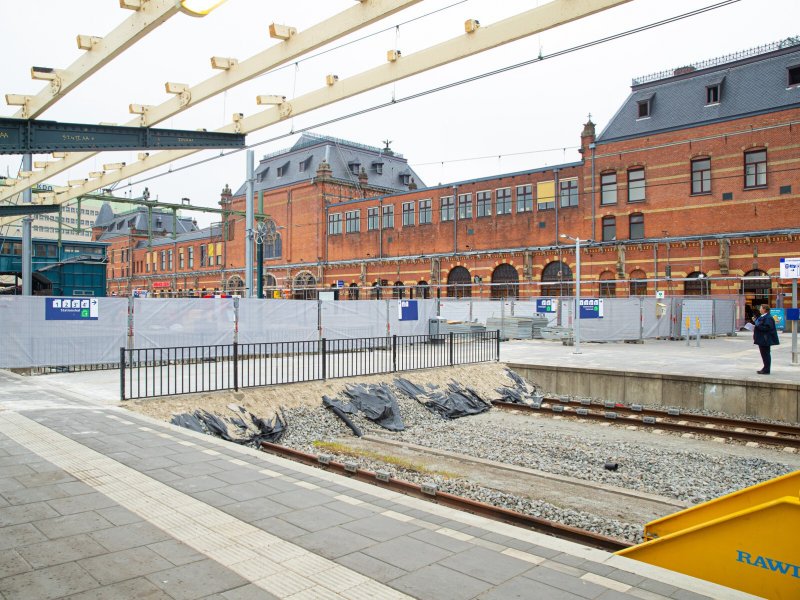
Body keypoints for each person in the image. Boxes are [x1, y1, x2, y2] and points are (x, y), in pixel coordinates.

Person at [752, 304, 779, 374]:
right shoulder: (763, 316)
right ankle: (765, 368)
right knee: (764, 354)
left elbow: (766, 328)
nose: (759, 309)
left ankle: (766, 369)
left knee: (765, 354)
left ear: (764, 309)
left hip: (765, 339)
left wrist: (756, 326)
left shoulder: (768, 318)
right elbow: (760, 324)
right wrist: (755, 322)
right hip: (762, 338)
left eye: (760, 308)